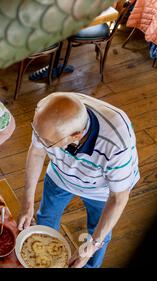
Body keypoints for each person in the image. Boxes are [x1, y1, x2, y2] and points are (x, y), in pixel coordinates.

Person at [18, 92, 140, 268]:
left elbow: (118, 198)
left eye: (48, 142)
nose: (41, 142)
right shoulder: (47, 113)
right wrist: (27, 202)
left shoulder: (118, 142)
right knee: (45, 218)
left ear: (75, 136)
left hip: (101, 190)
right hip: (60, 174)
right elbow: (37, 152)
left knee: (97, 235)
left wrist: (91, 245)